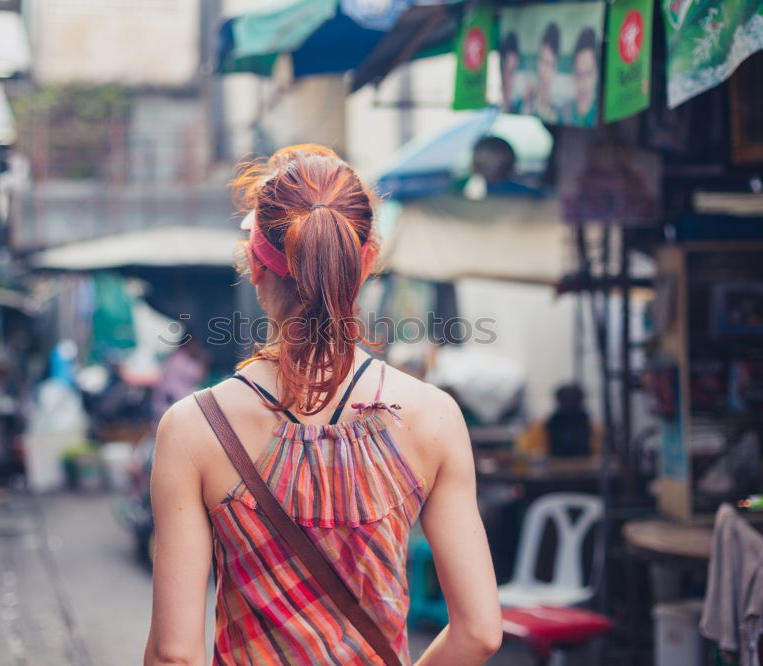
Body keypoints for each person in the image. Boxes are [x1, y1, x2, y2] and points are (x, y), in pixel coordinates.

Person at [144, 145, 502, 665]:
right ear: (368, 263)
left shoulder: (194, 428)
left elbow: (176, 654)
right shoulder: (434, 416)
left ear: (254, 264)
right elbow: (480, 633)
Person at [524, 22, 562, 123]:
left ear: (555, 68)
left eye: (550, 64)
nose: (545, 71)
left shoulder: (559, 110)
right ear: (538, 62)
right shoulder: (525, 100)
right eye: (543, 61)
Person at [568, 27, 599, 127]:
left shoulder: (601, 114)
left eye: (589, 74)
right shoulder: (561, 114)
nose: (583, 85)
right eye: (579, 75)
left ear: (597, 74)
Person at [499, 31, 522, 113]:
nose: (510, 80)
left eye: (513, 72)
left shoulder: (519, 99)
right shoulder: (494, 94)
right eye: (508, 72)